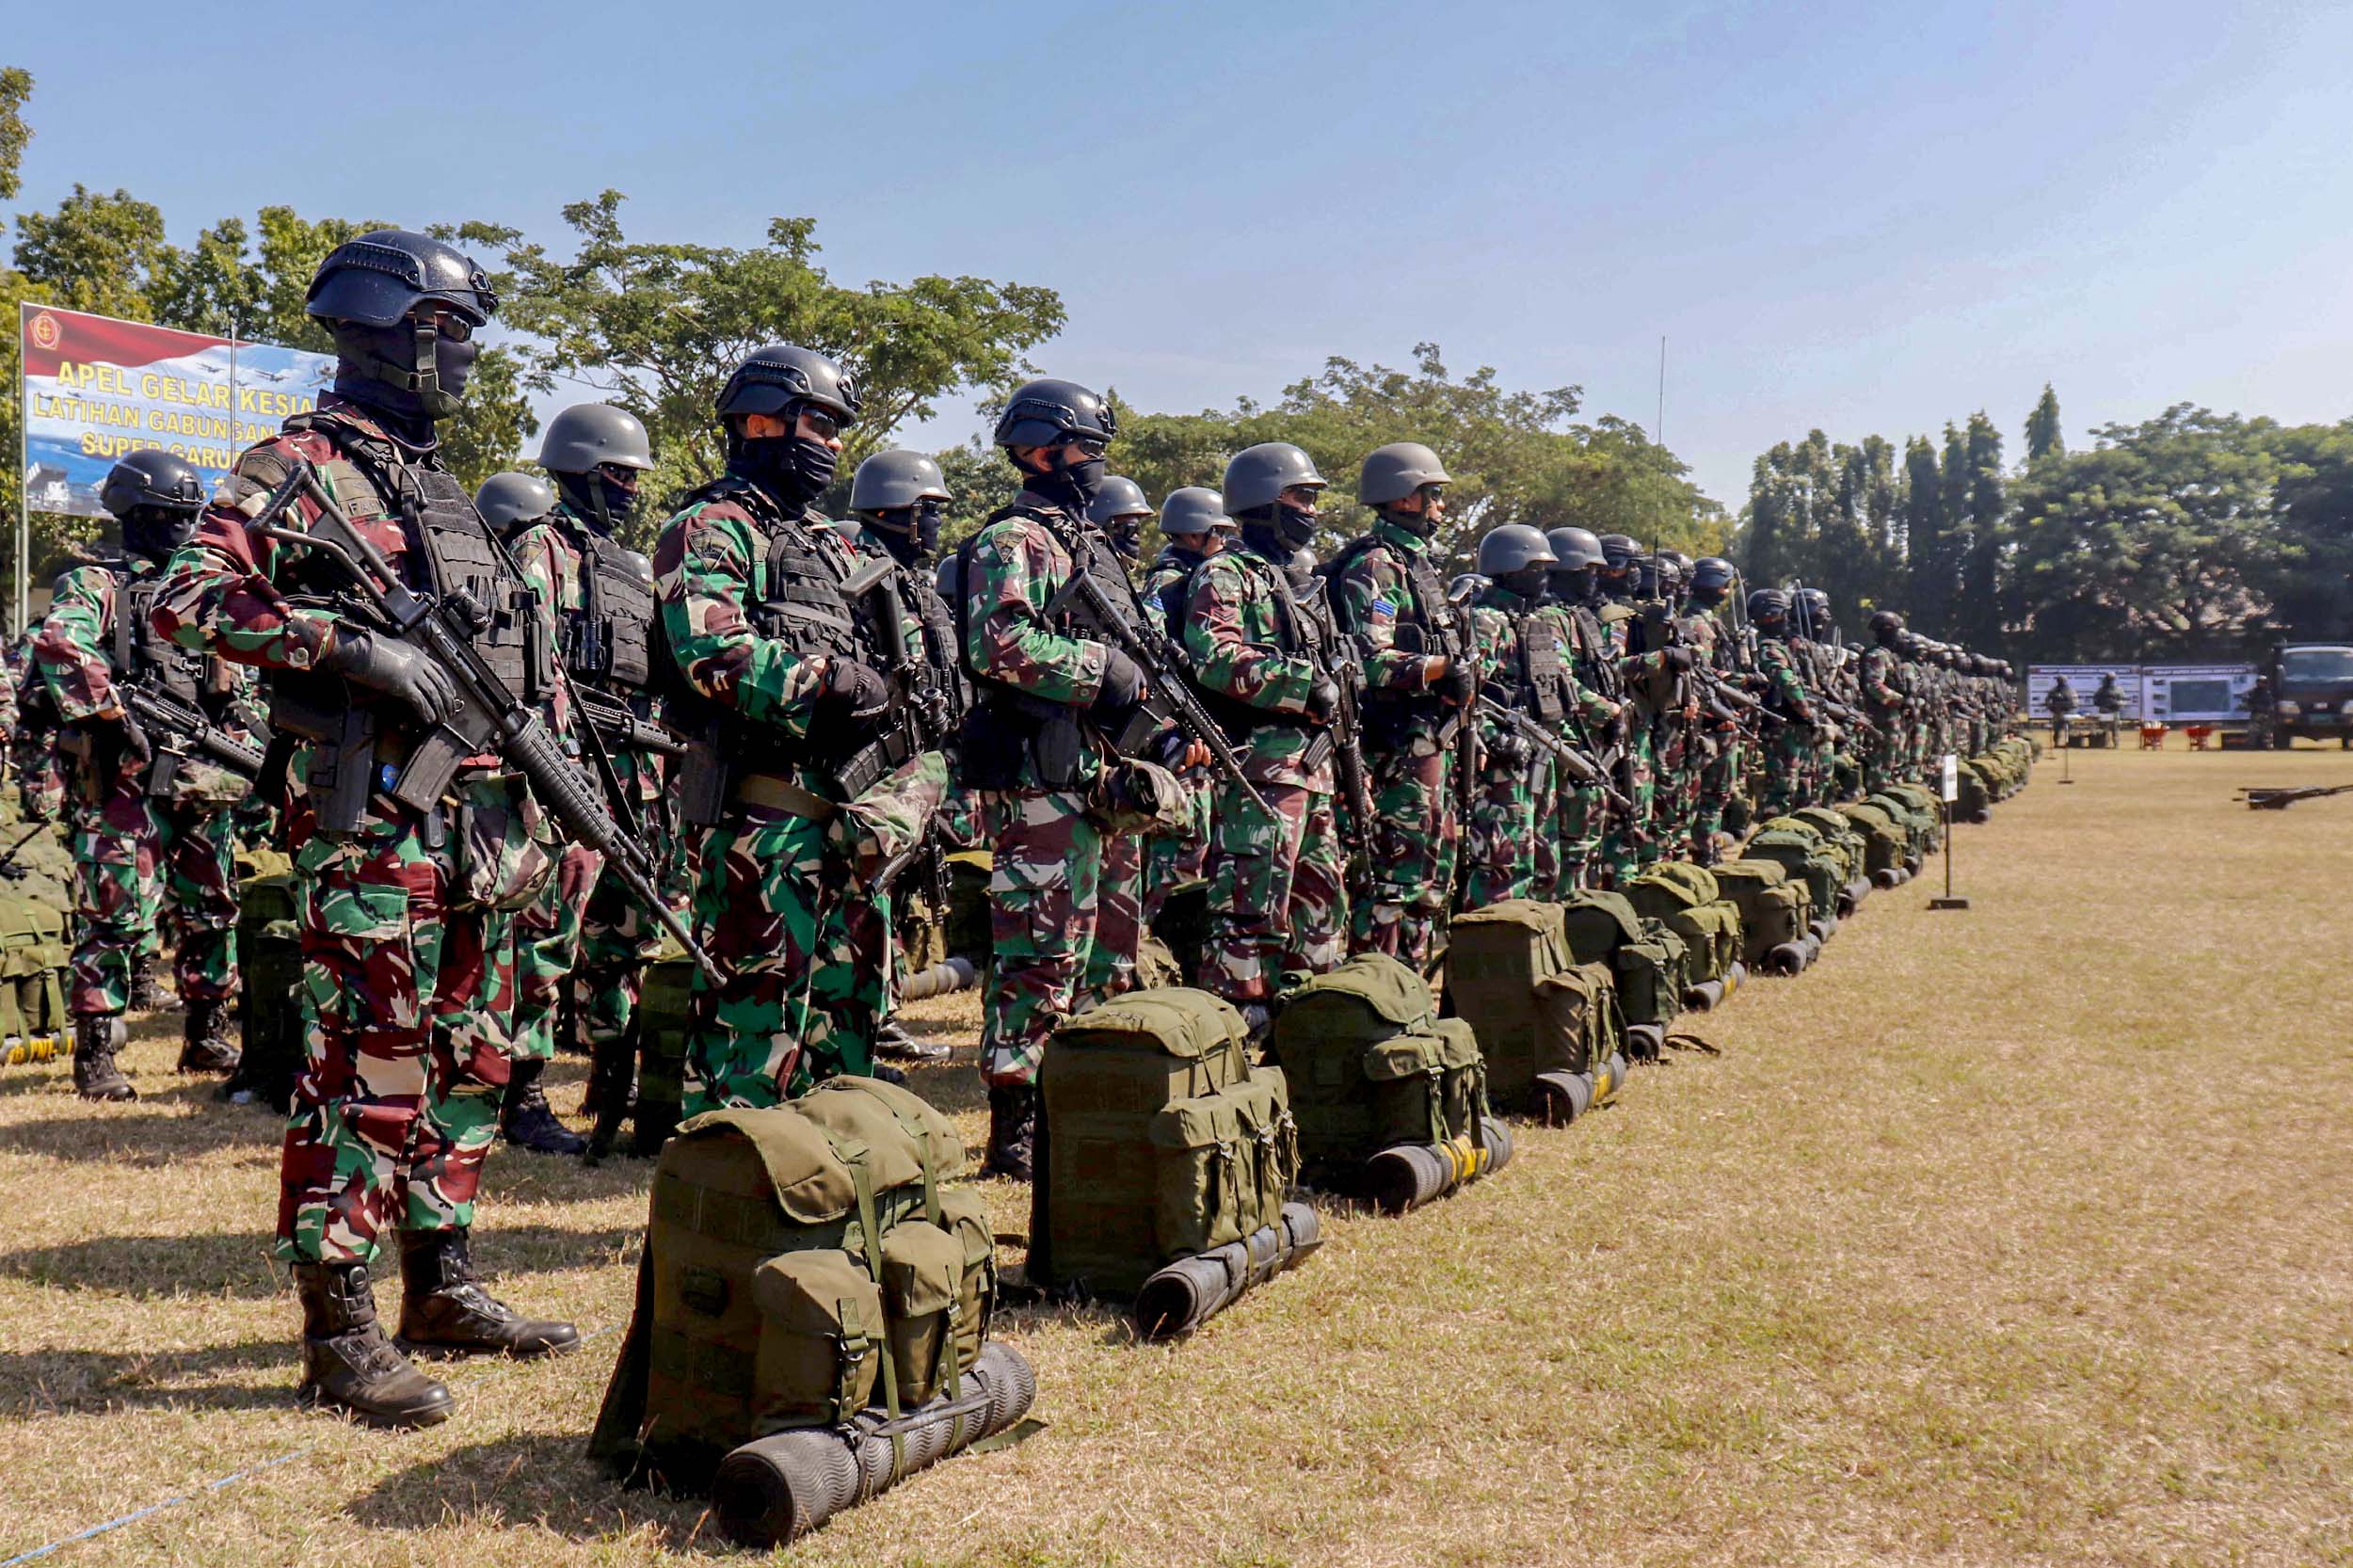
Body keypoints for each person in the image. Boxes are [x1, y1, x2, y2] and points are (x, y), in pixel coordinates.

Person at [153, 229, 577, 1430]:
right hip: (375, 825)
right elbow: (191, 600)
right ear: (375, 327)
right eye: (445, 334)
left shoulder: (444, 488)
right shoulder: (291, 466)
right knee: (365, 1067)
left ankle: (441, 1283)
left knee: (476, 1056)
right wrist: (354, 649)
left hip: (480, 827)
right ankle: (340, 1325)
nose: (460, 359)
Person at [655, 345, 946, 1110]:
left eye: (838, 428)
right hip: (764, 816)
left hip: (853, 817)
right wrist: (828, 683)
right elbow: (714, 652)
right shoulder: (711, 527)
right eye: (819, 423)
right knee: (756, 1027)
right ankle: (728, 1203)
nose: (834, 443)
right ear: (758, 420)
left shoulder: (836, 543)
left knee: (848, 1020)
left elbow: (899, 656)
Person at [954, 377, 1188, 1177]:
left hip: (1106, 787)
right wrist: (1102, 668)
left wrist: (1159, 721)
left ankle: (1085, 1104)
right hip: (1044, 783)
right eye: (1086, 447)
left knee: (1109, 952)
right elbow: (999, 646)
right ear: (1039, 449)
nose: (1094, 464)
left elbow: (1144, 663)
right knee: (1039, 952)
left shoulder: (1092, 549)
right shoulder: (1014, 538)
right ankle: (1014, 1128)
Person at [37, 450, 252, 1098]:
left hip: (201, 777)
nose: (182, 532)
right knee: (115, 913)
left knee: (214, 907)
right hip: (128, 782)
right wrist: (109, 711)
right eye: (167, 518)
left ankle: (206, 1031)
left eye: (188, 519)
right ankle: (97, 1051)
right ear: (133, 517)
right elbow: (60, 644)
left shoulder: (203, 594)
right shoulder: (97, 585)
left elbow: (243, 678)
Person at [504, 403, 664, 1156]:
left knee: (623, 937)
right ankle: (522, 1093)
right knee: (547, 938)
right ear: (581, 471)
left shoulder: (629, 568)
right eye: (620, 475)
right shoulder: (538, 549)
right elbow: (529, 668)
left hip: (630, 775)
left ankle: (613, 1079)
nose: (632, 489)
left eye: (635, 476)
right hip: (565, 767)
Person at [1178, 444, 1347, 1027]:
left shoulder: (1303, 583)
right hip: (1262, 770)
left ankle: (1310, 1022)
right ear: (1265, 503)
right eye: (1301, 498)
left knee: (1321, 901)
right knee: (1250, 904)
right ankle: (1238, 1024)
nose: (1312, 510)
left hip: (1313, 766)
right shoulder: (1225, 573)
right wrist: (1304, 684)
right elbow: (1215, 655)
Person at [839, 447, 970, 1065]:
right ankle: (861, 1025)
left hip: (921, 761)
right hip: (877, 765)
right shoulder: (859, 570)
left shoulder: (918, 583)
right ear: (894, 508)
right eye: (928, 509)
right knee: (863, 896)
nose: (937, 521)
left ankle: (879, 1016)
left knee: (887, 898)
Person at [1324, 442, 1473, 963]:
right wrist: (1442, 669)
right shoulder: (1376, 567)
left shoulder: (1414, 565)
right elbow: (1373, 662)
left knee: (1429, 878)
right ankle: (1376, 989)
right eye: (1434, 495)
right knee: (1390, 884)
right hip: (1392, 750)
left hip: (1426, 743)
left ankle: (1408, 986)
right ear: (1404, 498)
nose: (1441, 507)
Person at [1080, 476, 1160, 1006]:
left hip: (1119, 767)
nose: (1135, 538)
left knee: (1117, 912)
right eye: (1126, 527)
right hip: (1078, 765)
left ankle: (1110, 1008)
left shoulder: (1130, 597)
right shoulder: (1083, 583)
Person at [1140, 488, 1232, 926]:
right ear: (1196, 536)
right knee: (1179, 852)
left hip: (1201, 730)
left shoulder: (1199, 580)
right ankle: (1162, 940)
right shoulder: (1168, 583)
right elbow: (1156, 661)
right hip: (1180, 735)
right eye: (1219, 534)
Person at [1544, 527, 1622, 891]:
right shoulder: (1550, 618)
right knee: (1570, 844)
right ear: (1569, 570)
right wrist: (1608, 711)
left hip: (1590, 742)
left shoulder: (1580, 617)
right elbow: (1561, 682)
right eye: (1590, 570)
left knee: (1587, 840)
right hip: (1567, 741)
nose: (1597, 577)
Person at [1744, 589, 1817, 819]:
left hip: (1791, 726)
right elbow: (1787, 683)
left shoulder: (1780, 646)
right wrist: (1807, 712)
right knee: (1781, 790)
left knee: (1799, 785)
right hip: (1781, 726)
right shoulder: (1769, 648)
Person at [2044, 675, 2076, 749]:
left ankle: (2068, 743)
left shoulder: (2070, 690)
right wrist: (2052, 708)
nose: (2061, 682)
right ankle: (2056, 743)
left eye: (2062, 680)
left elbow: (2074, 702)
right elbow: (2047, 700)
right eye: (2059, 680)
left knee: (2068, 729)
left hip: (2067, 713)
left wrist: (2069, 708)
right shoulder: (2054, 691)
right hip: (2057, 713)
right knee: (2056, 729)